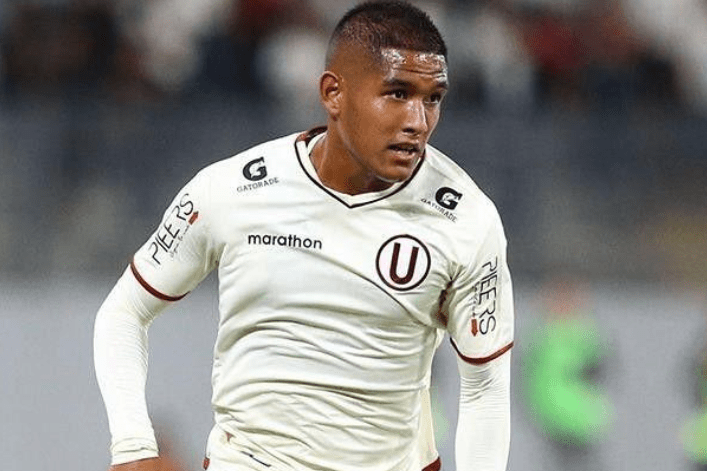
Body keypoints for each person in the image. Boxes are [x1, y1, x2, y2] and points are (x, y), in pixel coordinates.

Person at [93, 2, 514, 471]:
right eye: (397, 93)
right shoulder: (231, 191)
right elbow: (124, 312)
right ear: (334, 93)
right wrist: (132, 447)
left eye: (432, 98)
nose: (418, 121)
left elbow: (485, 385)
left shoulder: (466, 220)